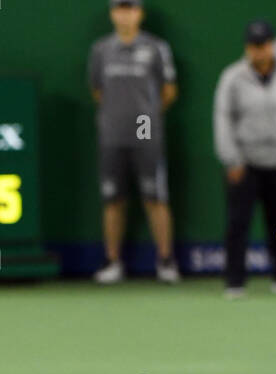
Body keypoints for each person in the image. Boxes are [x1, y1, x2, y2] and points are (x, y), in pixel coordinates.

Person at [213, 19, 276, 299]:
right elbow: (223, 119)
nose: (260, 51)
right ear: (248, 48)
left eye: (265, 45)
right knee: (238, 223)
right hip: (244, 163)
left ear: (273, 45)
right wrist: (231, 159)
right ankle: (235, 282)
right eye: (254, 46)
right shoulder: (232, 77)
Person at [89, 1, 180, 284]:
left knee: (156, 197)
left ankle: (165, 260)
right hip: (112, 135)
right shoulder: (100, 50)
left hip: (146, 134)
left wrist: (146, 117)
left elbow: (168, 91)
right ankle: (112, 261)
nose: (125, 14)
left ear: (139, 13)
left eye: (130, 9)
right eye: (120, 9)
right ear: (112, 13)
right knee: (113, 199)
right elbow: (97, 90)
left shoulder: (156, 48)